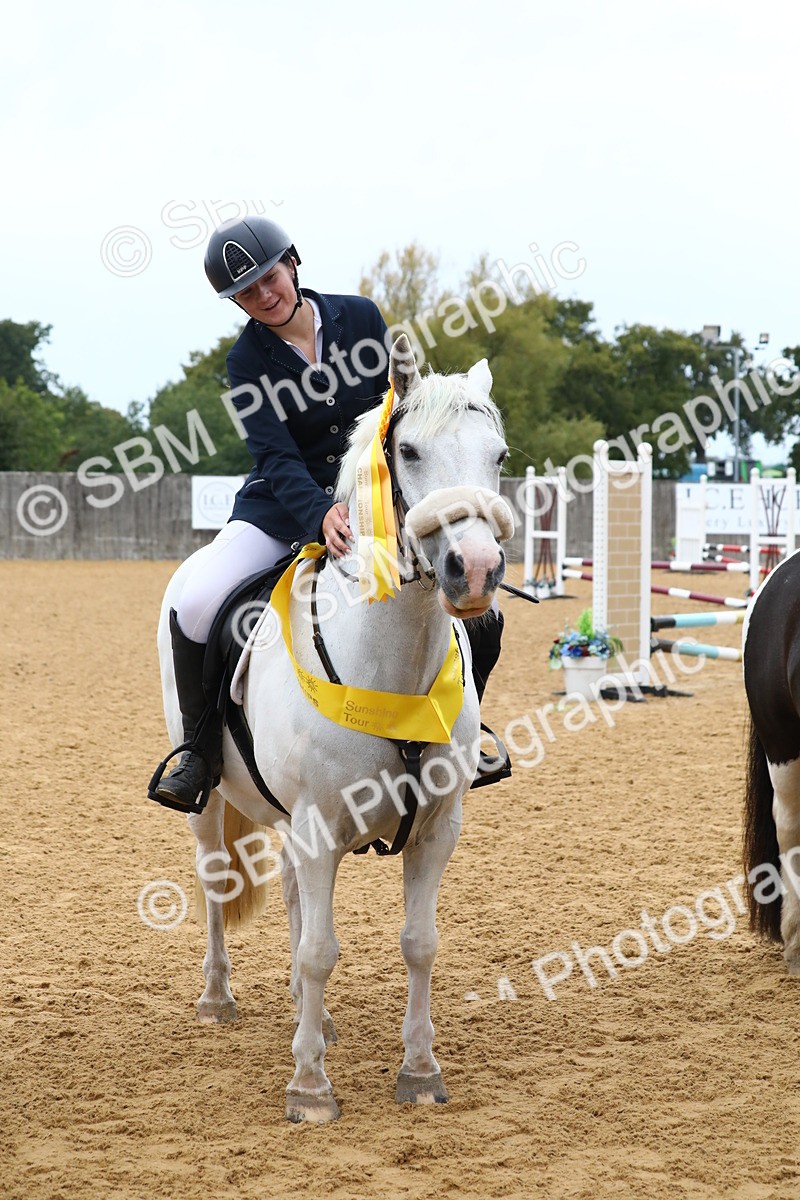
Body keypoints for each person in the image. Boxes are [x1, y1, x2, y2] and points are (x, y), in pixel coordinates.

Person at [152, 217, 504, 816]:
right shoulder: (246, 362)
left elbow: (399, 414)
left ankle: (470, 730)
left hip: (375, 505)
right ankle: (201, 750)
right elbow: (274, 453)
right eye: (245, 292)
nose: (264, 296)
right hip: (280, 510)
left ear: (292, 262)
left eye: (268, 277)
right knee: (201, 602)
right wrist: (318, 514)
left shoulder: (361, 318)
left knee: (481, 612)